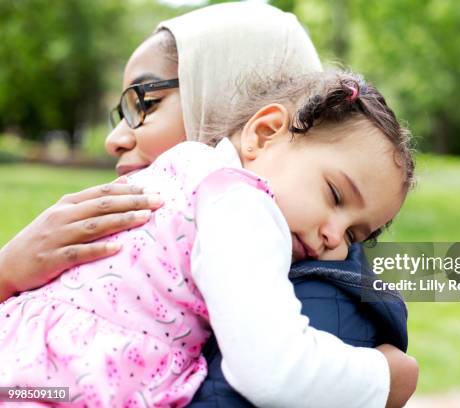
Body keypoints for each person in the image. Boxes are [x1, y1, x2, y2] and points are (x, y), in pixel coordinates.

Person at [0, 3, 418, 407]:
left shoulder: (310, 275)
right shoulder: (223, 200)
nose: (115, 139)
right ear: (264, 130)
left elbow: (267, 374)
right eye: (334, 195)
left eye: (144, 102)